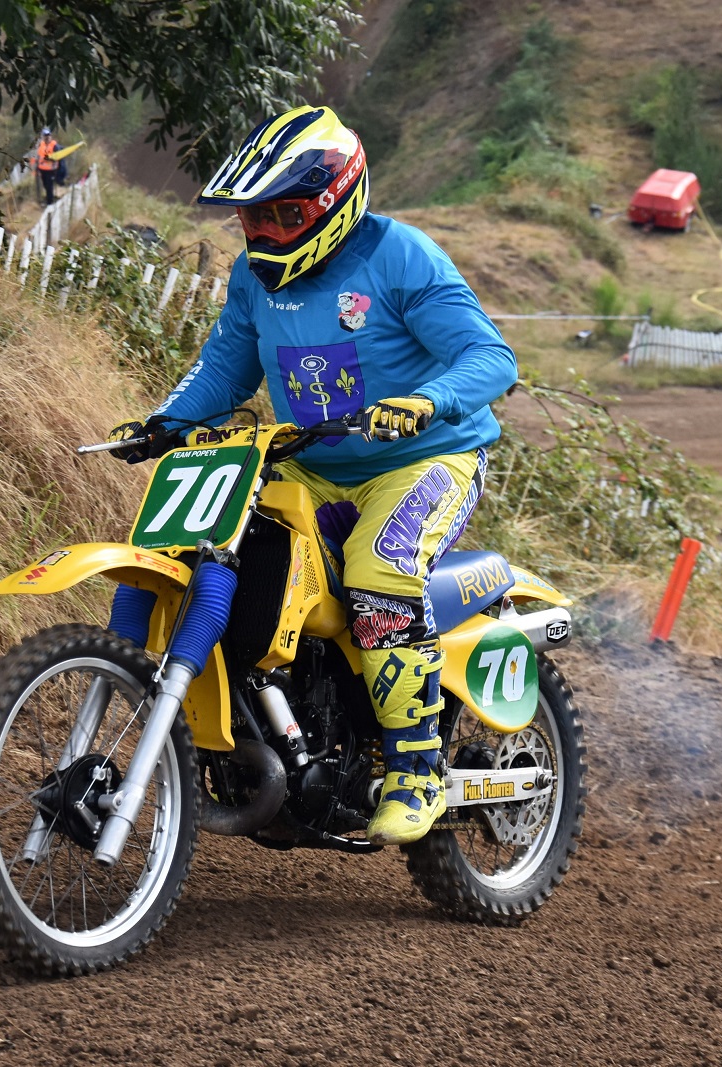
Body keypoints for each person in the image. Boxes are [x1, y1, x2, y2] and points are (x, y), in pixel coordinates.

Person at [107, 105, 518, 846]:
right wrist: (165, 421)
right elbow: (225, 368)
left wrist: (426, 402)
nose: (264, 233)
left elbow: (490, 357)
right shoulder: (253, 278)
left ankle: (418, 769)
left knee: (378, 569)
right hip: (313, 463)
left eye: (284, 214)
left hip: (425, 457)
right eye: (252, 218)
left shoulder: (403, 256)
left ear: (335, 201)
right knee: (213, 547)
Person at [31, 127, 61, 205]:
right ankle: (49, 199)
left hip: (51, 170)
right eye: (45, 135)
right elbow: (38, 157)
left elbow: (58, 157)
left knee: (49, 185)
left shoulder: (55, 146)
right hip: (42, 169)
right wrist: (36, 167)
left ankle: (50, 202)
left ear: (50, 136)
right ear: (43, 137)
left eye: (48, 135)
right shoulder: (41, 145)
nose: (47, 137)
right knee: (45, 185)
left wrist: (50, 159)